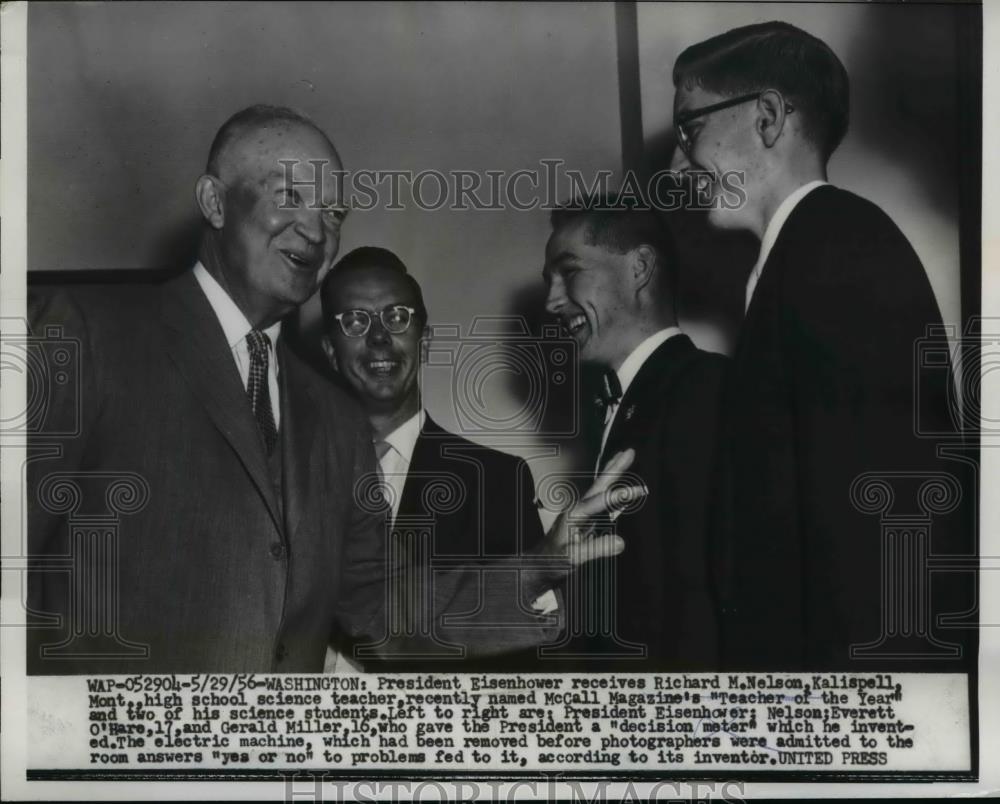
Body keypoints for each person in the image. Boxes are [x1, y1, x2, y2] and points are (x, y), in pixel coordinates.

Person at [26, 105, 638, 675]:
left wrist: (540, 567)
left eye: (334, 212)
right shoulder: (87, 336)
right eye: (290, 196)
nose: (315, 230)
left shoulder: (333, 415)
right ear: (214, 201)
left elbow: (376, 607)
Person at [670, 22, 974, 670]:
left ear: (769, 117)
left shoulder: (836, 252)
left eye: (690, 130)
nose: (677, 166)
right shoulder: (814, 249)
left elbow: (878, 520)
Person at [319, 246, 551, 670]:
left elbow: (522, 660)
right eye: (354, 320)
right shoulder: (291, 472)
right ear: (330, 351)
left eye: (398, 317)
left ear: (425, 342)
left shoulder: (496, 482)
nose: (378, 336)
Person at [542, 195, 727, 670]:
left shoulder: (705, 390)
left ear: (640, 267)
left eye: (569, 272)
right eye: (550, 281)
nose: (552, 301)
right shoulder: (633, 400)